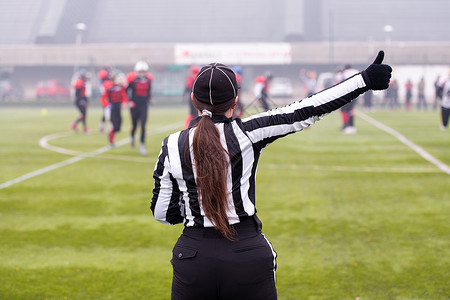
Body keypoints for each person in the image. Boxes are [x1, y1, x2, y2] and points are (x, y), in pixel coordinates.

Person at [151, 51, 392, 300]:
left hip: (193, 256)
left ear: (193, 99)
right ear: (235, 102)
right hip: (246, 254)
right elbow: (307, 109)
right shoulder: (249, 132)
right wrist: (363, 80)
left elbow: (163, 213)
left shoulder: (171, 145)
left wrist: (194, 208)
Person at [126, 61, 154, 155]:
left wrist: (150, 98)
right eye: (140, 71)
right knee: (134, 125)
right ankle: (132, 137)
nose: (142, 73)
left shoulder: (148, 80)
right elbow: (126, 91)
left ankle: (142, 145)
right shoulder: (133, 81)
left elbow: (149, 92)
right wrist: (129, 101)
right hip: (134, 106)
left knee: (142, 126)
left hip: (144, 105)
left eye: (143, 71)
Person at [101, 72, 129, 147]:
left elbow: (124, 96)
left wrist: (124, 102)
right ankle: (111, 140)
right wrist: (107, 105)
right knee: (113, 124)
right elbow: (103, 98)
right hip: (112, 108)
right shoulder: (110, 87)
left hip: (118, 107)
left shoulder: (121, 87)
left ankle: (111, 134)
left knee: (118, 125)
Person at [336, 64, 359, 134]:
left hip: (346, 94)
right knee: (351, 111)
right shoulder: (356, 71)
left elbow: (341, 83)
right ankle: (352, 126)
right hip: (355, 94)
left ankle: (347, 126)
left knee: (345, 110)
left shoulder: (344, 73)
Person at [98, 67, 112, 133]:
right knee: (108, 115)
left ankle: (102, 126)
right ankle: (108, 127)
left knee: (106, 114)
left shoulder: (105, 84)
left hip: (105, 100)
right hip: (105, 100)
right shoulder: (105, 84)